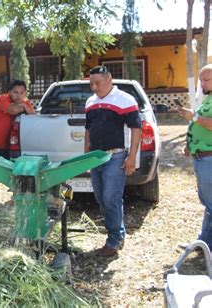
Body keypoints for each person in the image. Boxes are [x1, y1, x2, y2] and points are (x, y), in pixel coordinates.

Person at [84, 66, 142, 257]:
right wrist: (85, 156)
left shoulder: (125, 100)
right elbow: (88, 130)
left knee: (111, 198)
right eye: (91, 83)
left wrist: (131, 157)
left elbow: (136, 128)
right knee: (102, 198)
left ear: (109, 79)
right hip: (95, 157)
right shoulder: (90, 102)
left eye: (98, 83)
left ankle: (113, 239)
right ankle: (119, 232)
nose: (94, 87)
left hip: (116, 156)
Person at [178, 63, 212, 250]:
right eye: (201, 80)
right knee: (209, 204)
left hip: (210, 158)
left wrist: (194, 117)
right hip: (202, 157)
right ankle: (204, 244)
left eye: (206, 80)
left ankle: (206, 246)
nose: (203, 84)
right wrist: (190, 145)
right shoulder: (208, 99)